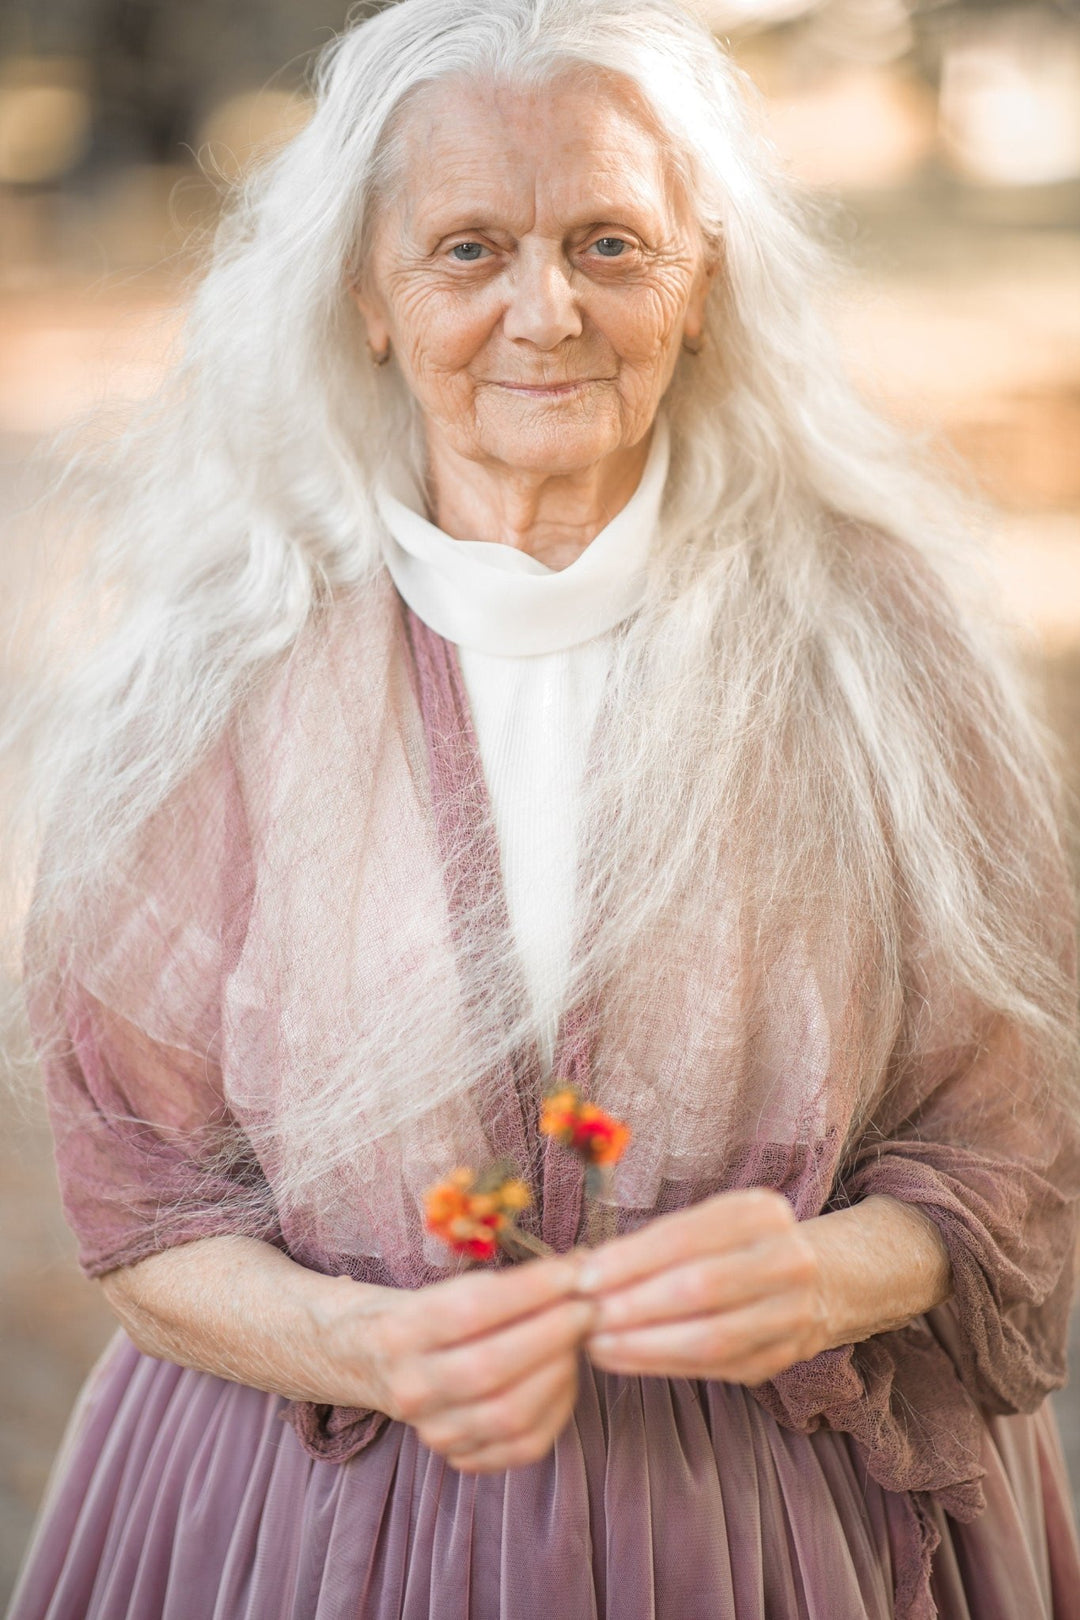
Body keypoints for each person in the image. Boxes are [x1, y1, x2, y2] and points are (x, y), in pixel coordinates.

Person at [6, 1, 1080, 1616]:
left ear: (702, 281)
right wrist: (362, 1344)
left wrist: (824, 1273)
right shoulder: (220, 664)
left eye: (607, 242)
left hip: (781, 1530)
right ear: (366, 298)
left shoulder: (878, 647)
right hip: (308, 1516)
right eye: (466, 249)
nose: (545, 311)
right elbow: (146, 1205)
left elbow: (1005, 1152)